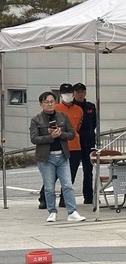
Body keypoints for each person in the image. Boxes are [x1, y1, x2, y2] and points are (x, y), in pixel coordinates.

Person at [30, 92, 85, 223]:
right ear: (41, 104)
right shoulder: (36, 120)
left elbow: (72, 134)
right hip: (46, 158)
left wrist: (60, 134)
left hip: (62, 156)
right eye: (46, 102)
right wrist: (50, 136)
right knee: (49, 187)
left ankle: (72, 212)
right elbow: (34, 138)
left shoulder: (62, 116)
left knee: (67, 185)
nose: (50, 104)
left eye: (52, 102)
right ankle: (52, 212)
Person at [72, 82, 97, 205]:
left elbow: (94, 124)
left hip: (88, 143)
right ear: (73, 93)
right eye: (78, 92)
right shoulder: (71, 107)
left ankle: (88, 196)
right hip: (74, 143)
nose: (80, 94)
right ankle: (64, 197)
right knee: (71, 171)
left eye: (82, 92)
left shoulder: (90, 107)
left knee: (88, 171)